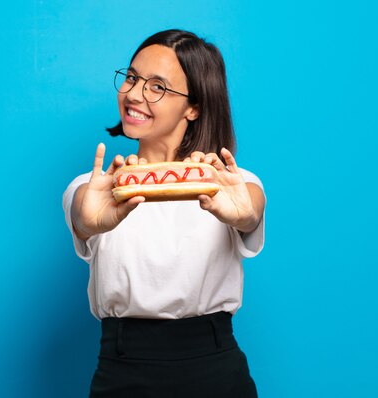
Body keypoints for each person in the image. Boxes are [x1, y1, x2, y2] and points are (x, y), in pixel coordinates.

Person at [62, 29, 266, 397]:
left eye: (158, 87)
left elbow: (250, 211)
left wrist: (244, 214)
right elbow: (82, 214)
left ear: (194, 106)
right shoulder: (95, 188)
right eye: (132, 78)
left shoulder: (231, 183)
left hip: (214, 364)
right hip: (123, 366)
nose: (134, 94)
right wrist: (86, 220)